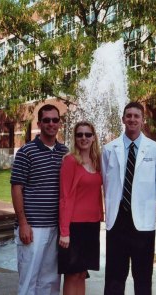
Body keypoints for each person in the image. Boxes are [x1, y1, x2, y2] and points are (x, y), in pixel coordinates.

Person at [102, 101, 156, 295]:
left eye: (136, 116)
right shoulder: (109, 149)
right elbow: (106, 183)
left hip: (142, 223)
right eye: (128, 116)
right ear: (123, 119)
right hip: (117, 220)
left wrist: (140, 204)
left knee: (143, 277)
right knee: (114, 277)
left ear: (142, 120)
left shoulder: (154, 150)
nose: (132, 119)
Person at [10, 104, 68, 295]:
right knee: (29, 281)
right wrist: (23, 223)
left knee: (50, 281)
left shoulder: (64, 153)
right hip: (33, 228)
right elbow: (16, 188)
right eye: (46, 120)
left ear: (59, 123)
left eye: (55, 120)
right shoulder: (26, 152)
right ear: (39, 123)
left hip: (55, 228)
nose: (51, 124)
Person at [58, 121, 103, 295]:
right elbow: (65, 197)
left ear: (93, 137)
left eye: (87, 134)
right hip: (73, 226)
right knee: (72, 274)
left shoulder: (97, 161)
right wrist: (64, 231)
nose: (83, 138)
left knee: (82, 273)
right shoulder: (70, 161)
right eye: (79, 134)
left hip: (91, 225)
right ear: (75, 138)